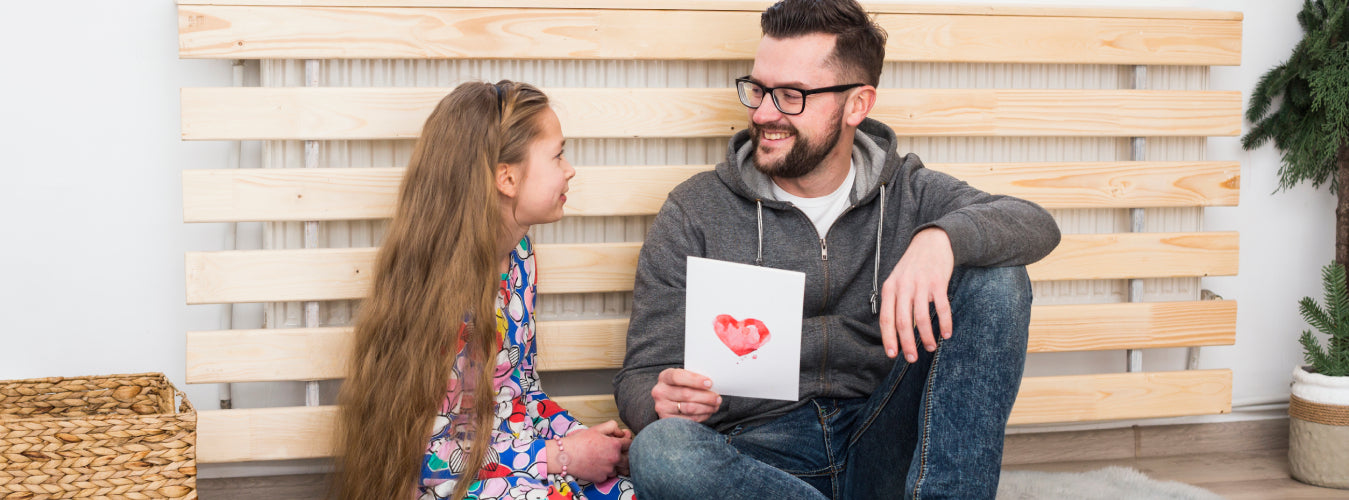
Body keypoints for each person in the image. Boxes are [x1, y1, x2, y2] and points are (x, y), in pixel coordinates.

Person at [613, 1, 1062, 498]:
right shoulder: (695, 209)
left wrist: (941, 239)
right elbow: (639, 375)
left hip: (882, 443)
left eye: (790, 96)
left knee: (998, 279)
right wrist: (661, 401)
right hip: (756, 461)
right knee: (661, 451)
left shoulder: (910, 192)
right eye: (758, 90)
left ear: (856, 105)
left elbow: (1034, 224)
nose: (763, 113)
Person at [334, 81, 636, 500]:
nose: (570, 169)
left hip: (519, 462)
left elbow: (521, 390)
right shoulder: (441, 294)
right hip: (453, 483)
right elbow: (429, 454)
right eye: (557, 155)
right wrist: (561, 456)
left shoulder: (520, 256)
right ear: (506, 178)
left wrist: (586, 441)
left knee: (627, 490)